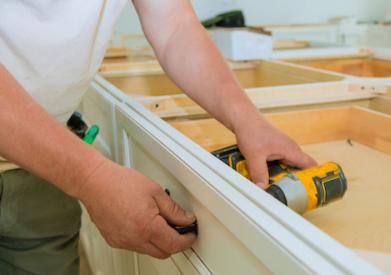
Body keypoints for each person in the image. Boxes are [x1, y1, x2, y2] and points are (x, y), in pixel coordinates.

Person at [0, 0, 316, 274]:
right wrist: (90, 176)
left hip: (46, 164)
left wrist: (247, 119)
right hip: (64, 162)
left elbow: (176, 29)